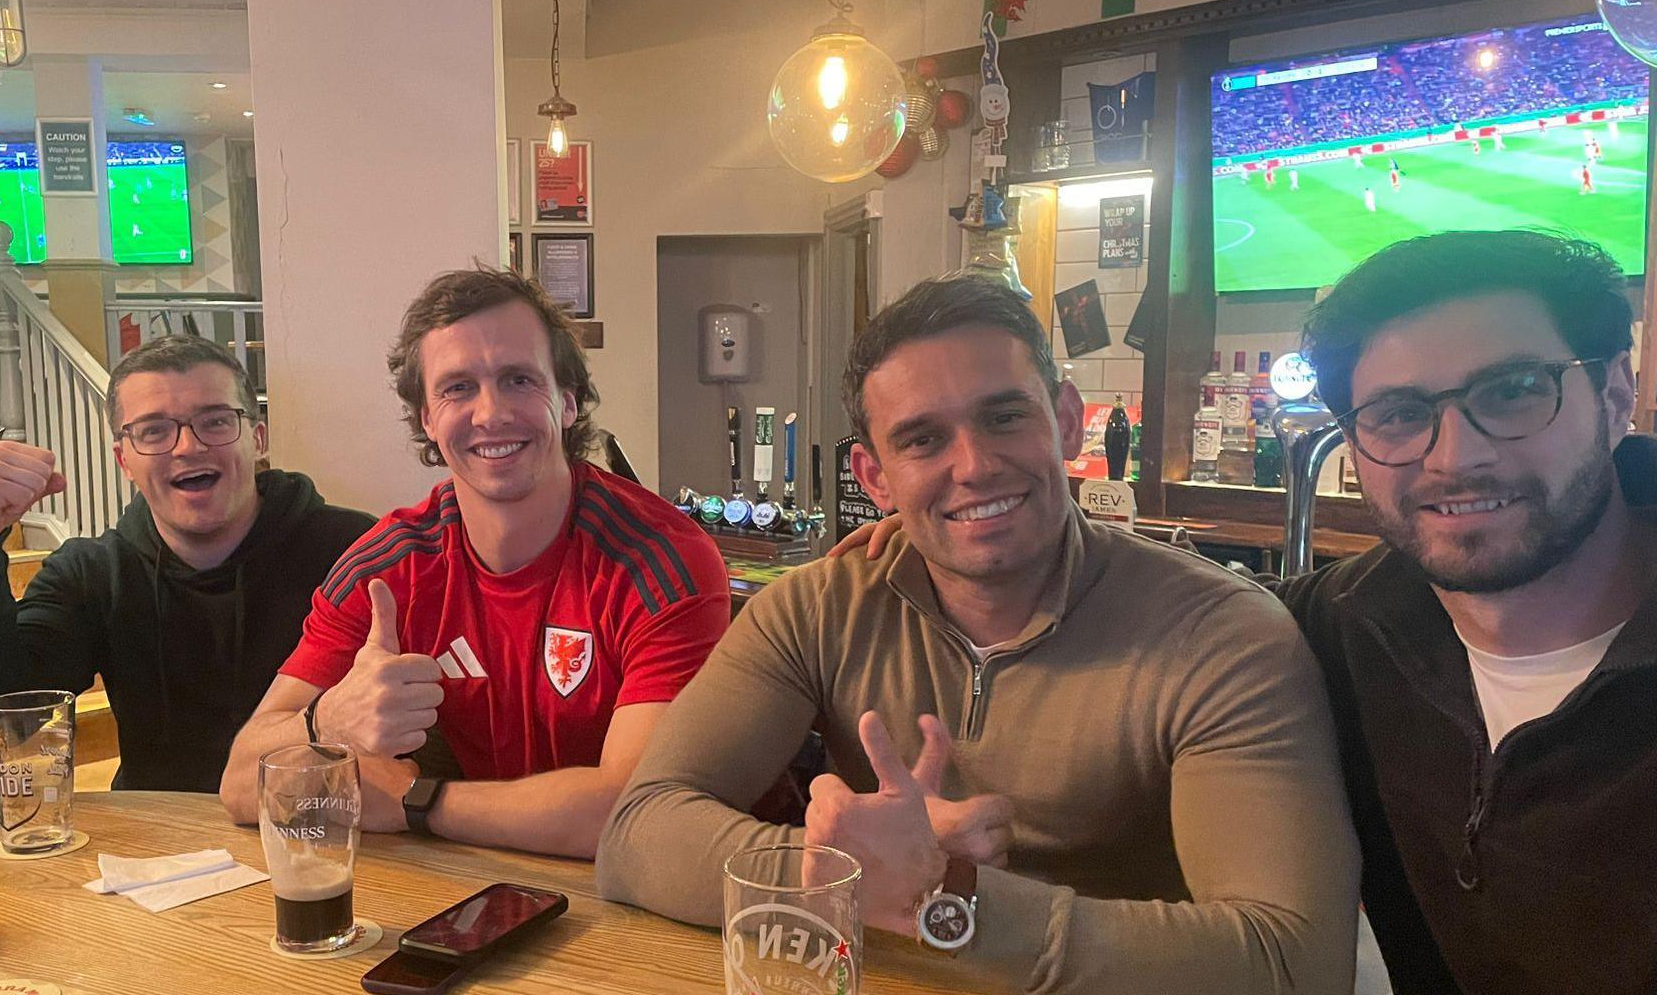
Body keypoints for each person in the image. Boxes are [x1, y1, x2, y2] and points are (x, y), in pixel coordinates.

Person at [597, 275, 1358, 992]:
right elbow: (636, 836)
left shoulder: (1220, 636)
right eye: (923, 440)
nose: (975, 465)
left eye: (1003, 417)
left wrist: (950, 897)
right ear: (874, 477)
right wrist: (848, 868)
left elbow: (1293, 963)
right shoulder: (819, 607)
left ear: (1064, 419)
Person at [220, 267, 730, 859]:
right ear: (427, 421)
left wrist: (419, 802)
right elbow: (239, 784)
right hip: (488, 878)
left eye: (518, 379)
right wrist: (328, 719)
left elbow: (634, 811)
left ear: (567, 402)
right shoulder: (387, 568)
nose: (491, 413)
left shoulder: (664, 560)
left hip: (663, 899)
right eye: (457, 388)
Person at [1282, 230, 1657, 994]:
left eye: (1514, 390)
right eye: (1396, 414)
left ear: (1616, 395)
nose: (1454, 457)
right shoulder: (1340, 625)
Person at [0, 335, 374, 792]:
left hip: (326, 835)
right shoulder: (93, 574)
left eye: (215, 421)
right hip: (157, 851)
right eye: (154, 430)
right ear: (124, 459)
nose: (186, 446)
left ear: (257, 439)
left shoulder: (357, 553)